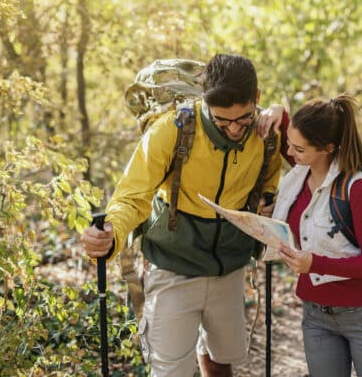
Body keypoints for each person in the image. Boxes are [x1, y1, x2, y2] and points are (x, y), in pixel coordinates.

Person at [81, 54, 286, 377]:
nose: (234, 129)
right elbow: (132, 197)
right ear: (204, 98)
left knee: (221, 360)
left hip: (230, 266)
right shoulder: (172, 131)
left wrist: (268, 198)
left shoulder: (265, 134)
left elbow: (272, 175)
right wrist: (110, 234)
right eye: (222, 121)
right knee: (170, 370)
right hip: (172, 264)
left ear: (256, 99)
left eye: (243, 119)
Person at [271, 94, 362, 377]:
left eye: (299, 149)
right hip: (316, 316)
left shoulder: (357, 189)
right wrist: (276, 111)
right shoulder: (300, 174)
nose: (290, 154)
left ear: (328, 148)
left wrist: (314, 264)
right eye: (289, 145)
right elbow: (287, 129)